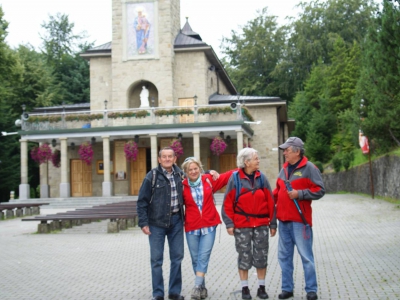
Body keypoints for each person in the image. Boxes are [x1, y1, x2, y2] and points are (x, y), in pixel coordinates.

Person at [273, 137, 325, 300]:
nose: (284, 153)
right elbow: (278, 191)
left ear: (296, 150)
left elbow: (320, 190)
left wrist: (300, 194)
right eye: (284, 150)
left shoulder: (309, 168)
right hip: (284, 221)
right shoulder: (284, 168)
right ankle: (287, 289)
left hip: (300, 223)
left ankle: (311, 290)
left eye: (287, 150)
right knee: (284, 257)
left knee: (306, 257)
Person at [221, 148, 276, 300]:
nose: (258, 161)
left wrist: (273, 224)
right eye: (255, 158)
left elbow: (270, 202)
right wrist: (229, 223)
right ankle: (245, 288)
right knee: (244, 257)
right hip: (242, 225)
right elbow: (227, 203)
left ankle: (261, 287)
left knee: (261, 256)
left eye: (258, 158)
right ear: (246, 162)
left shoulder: (262, 178)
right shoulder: (235, 179)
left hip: (261, 224)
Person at [181, 157, 234, 300]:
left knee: (203, 256)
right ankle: (202, 288)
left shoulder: (208, 180)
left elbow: (228, 176)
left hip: (209, 225)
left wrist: (244, 166)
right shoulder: (182, 185)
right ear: (185, 172)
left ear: (200, 168)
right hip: (191, 227)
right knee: (195, 258)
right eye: (190, 169)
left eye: (195, 168)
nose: (193, 171)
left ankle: (197, 286)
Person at [137, 147, 185, 300]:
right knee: (156, 260)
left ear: (175, 158)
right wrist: (143, 222)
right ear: (159, 159)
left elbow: (197, 175)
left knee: (177, 258)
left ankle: (174, 292)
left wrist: (211, 172)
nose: (167, 159)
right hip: (156, 223)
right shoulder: (151, 176)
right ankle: (158, 293)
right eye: (164, 157)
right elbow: (142, 201)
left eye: (170, 156)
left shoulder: (180, 174)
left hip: (176, 221)